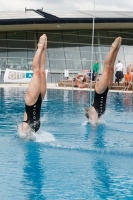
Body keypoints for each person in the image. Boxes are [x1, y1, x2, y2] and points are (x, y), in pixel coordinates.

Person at [85, 37, 122, 126]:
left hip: (100, 90)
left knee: (107, 68)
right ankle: (117, 49)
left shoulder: (93, 113)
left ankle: (113, 47)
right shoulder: (100, 115)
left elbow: (93, 128)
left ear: (90, 116)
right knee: (112, 68)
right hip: (106, 90)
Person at [21, 34, 47, 134]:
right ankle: (44, 47)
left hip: (31, 102)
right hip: (40, 101)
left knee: (36, 72)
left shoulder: (24, 128)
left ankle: (40, 46)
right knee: (42, 72)